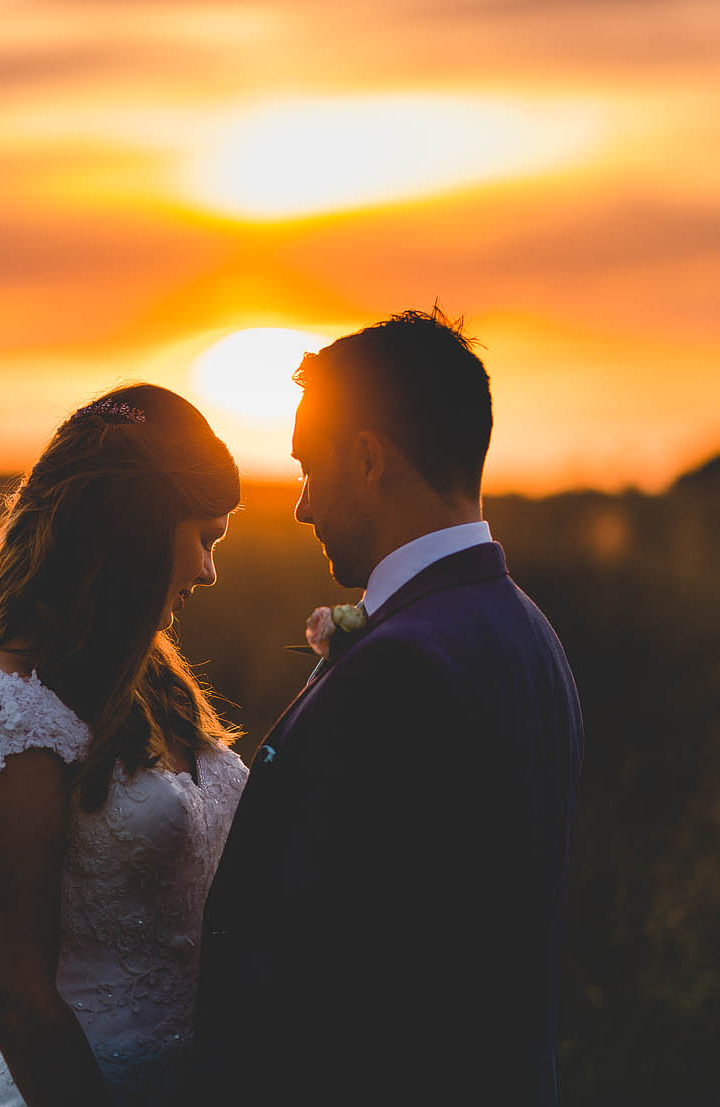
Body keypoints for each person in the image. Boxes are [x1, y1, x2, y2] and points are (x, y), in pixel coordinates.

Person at [197, 309, 585, 1104]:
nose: (302, 506)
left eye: (310, 468)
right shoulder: (530, 631)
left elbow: (337, 973)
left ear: (369, 459)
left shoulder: (399, 666)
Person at [0, 384, 248, 1106]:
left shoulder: (155, 681)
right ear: (136, 528)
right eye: (204, 535)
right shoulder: (7, 708)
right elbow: (14, 994)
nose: (208, 570)